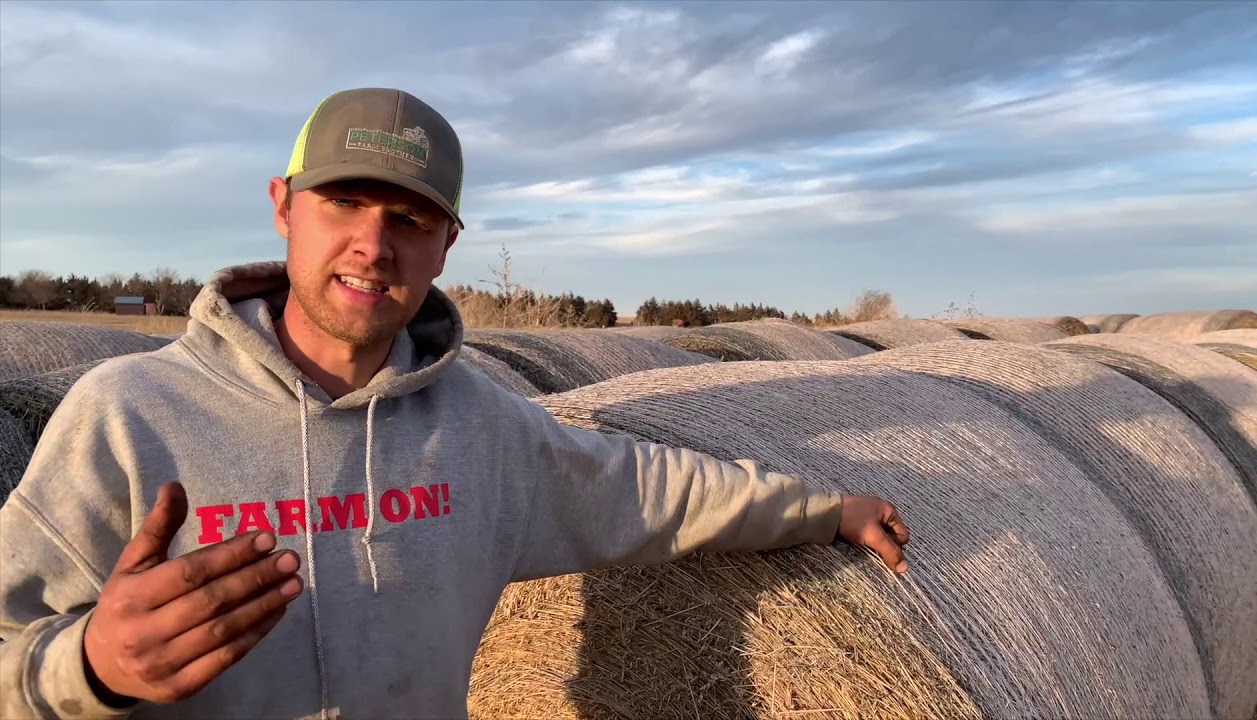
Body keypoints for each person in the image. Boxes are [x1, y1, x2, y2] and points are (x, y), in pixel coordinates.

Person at [0, 87, 911, 720]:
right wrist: (91, 668)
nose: (372, 245)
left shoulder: (483, 431)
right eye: (344, 203)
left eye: (410, 219)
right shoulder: (126, 416)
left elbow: (650, 489)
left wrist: (828, 510)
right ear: (284, 207)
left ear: (447, 245)